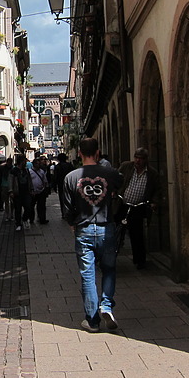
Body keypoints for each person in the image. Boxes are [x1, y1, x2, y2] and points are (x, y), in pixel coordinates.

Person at [61, 137, 123, 333]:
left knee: (87, 275)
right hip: (107, 227)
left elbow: (67, 208)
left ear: (79, 154)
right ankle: (106, 305)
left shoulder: (71, 177)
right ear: (98, 153)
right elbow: (121, 184)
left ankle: (93, 320)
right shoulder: (110, 174)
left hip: (84, 229)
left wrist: (72, 224)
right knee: (109, 269)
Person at [116, 147, 161, 269]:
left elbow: (157, 190)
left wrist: (154, 202)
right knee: (113, 228)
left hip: (137, 207)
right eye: (136, 157)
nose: (138, 161)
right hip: (122, 204)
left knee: (137, 234)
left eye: (141, 158)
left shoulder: (152, 173)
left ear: (146, 160)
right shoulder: (126, 167)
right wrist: (114, 191)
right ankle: (108, 253)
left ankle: (140, 260)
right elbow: (116, 178)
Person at [8, 155, 32, 231]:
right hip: (17, 193)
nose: (25, 162)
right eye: (24, 161)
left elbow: (29, 180)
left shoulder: (26, 170)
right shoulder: (14, 171)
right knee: (18, 209)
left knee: (28, 207)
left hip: (26, 192)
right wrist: (11, 191)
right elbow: (10, 180)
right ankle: (18, 223)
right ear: (20, 162)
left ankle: (24, 219)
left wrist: (31, 189)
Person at [29, 156, 50, 225]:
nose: (38, 165)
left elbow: (45, 181)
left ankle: (42, 219)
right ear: (34, 164)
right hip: (33, 192)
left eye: (39, 164)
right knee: (31, 206)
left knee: (41, 206)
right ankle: (31, 219)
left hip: (41, 191)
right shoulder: (30, 172)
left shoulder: (41, 171)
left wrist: (46, 188)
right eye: (37, 164)